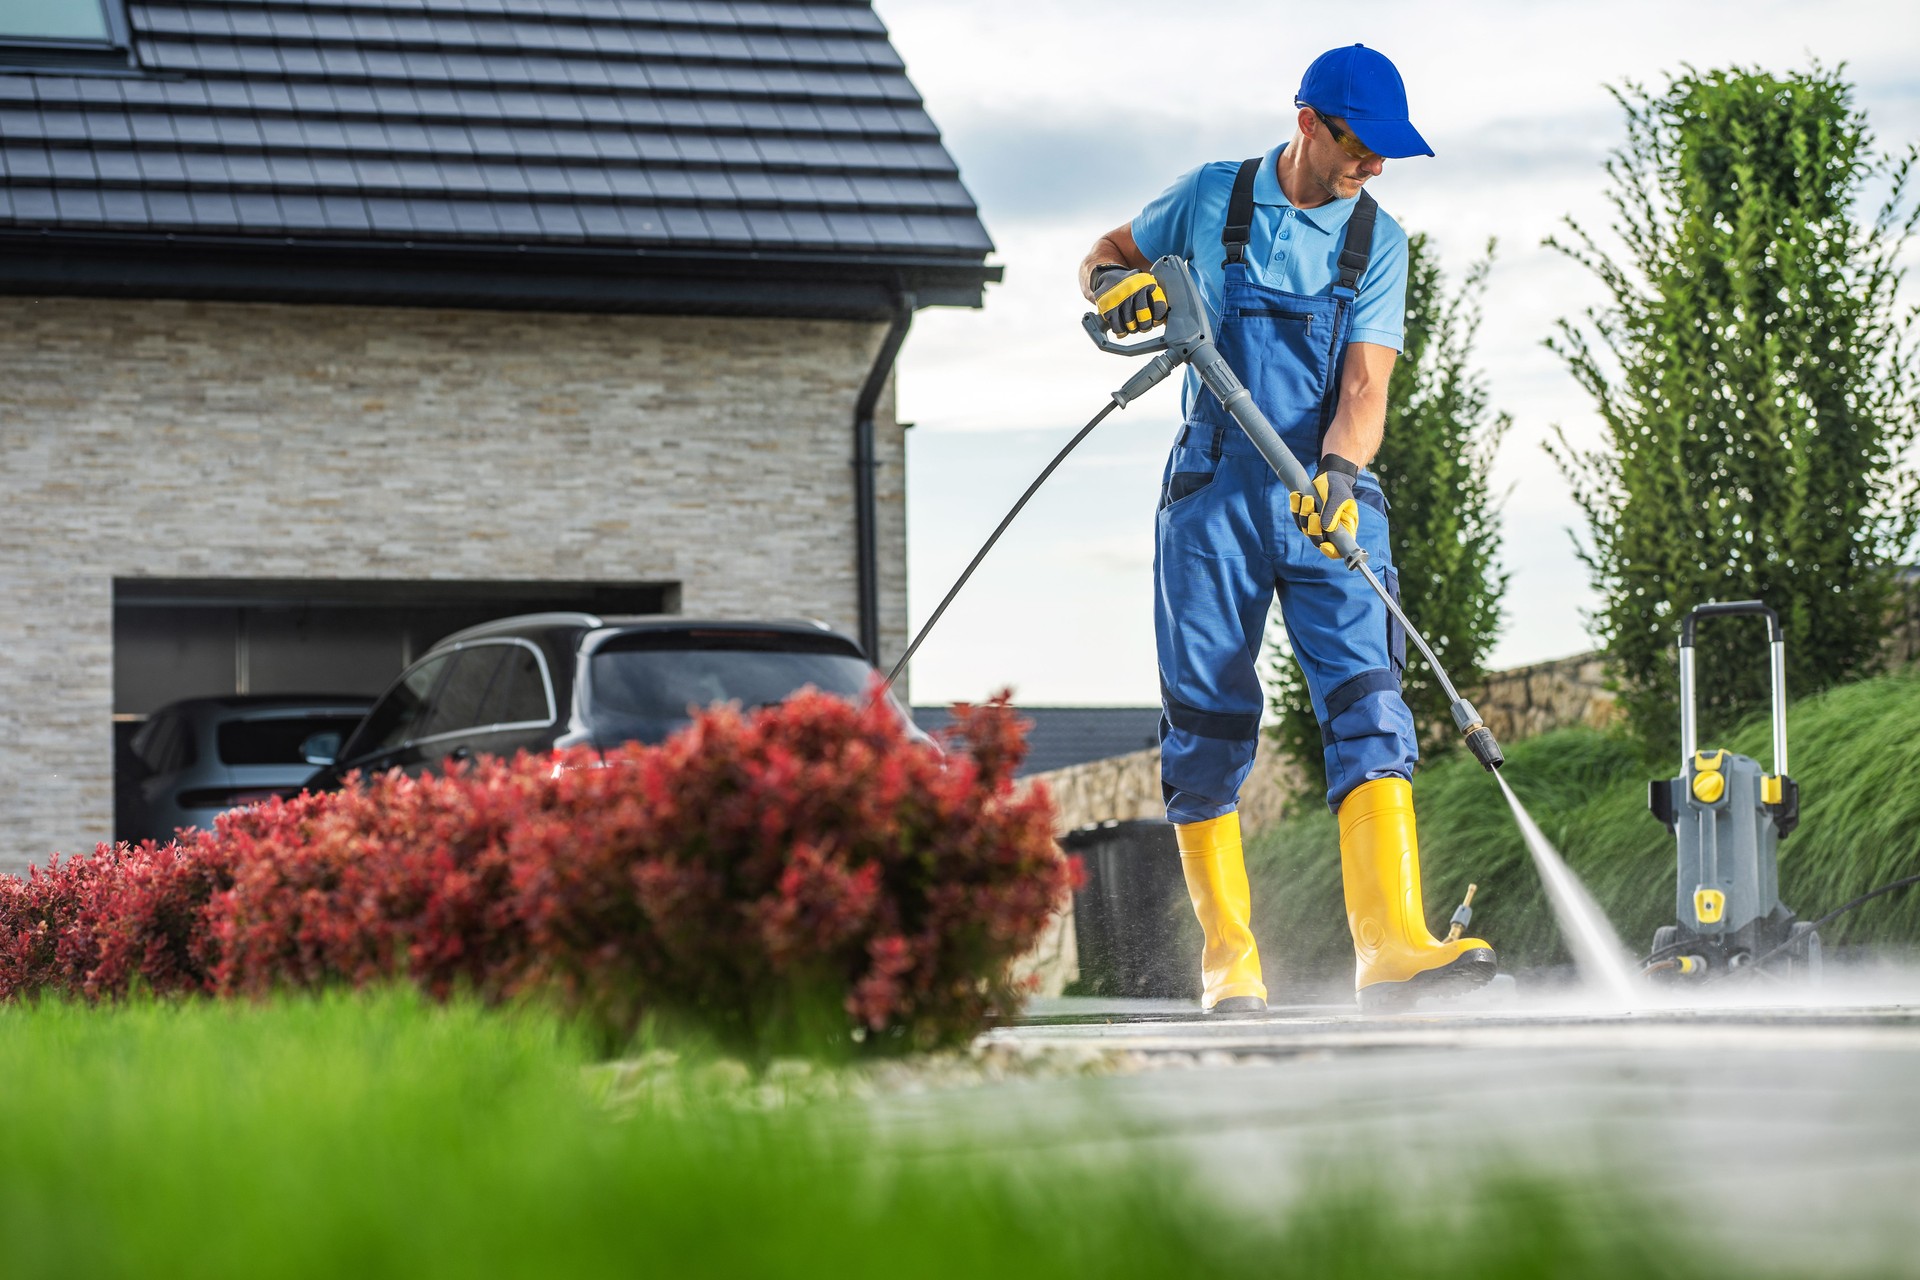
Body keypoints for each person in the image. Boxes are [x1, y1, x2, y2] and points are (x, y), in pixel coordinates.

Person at [1077, 44, 1496, 1013]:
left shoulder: (1376, 239)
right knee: (1209, 724)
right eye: (1360, 146)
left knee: (1369, 707)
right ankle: (1229, 962)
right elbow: (1104, 257)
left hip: (1329, 507)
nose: (1374, 168)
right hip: (1214, 497)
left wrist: (1340, 475)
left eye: (1388, 153)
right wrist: (1111, 292)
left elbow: (1365, 385)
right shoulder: (1210, 198)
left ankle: (1392, 948)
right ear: (1308, 122)